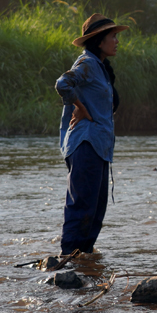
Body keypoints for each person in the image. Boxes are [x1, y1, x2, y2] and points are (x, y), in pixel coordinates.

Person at [54, 13, 128, 257]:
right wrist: (79, 106)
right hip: (85, 143)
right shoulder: (86, 63)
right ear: (99, 41)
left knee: (96, 207)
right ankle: (69, 257)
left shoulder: (100, 67)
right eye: (112, 36)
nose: (117, 41)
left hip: (98, 146)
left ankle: (83, 257)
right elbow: (63, 83)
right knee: (83, 204)